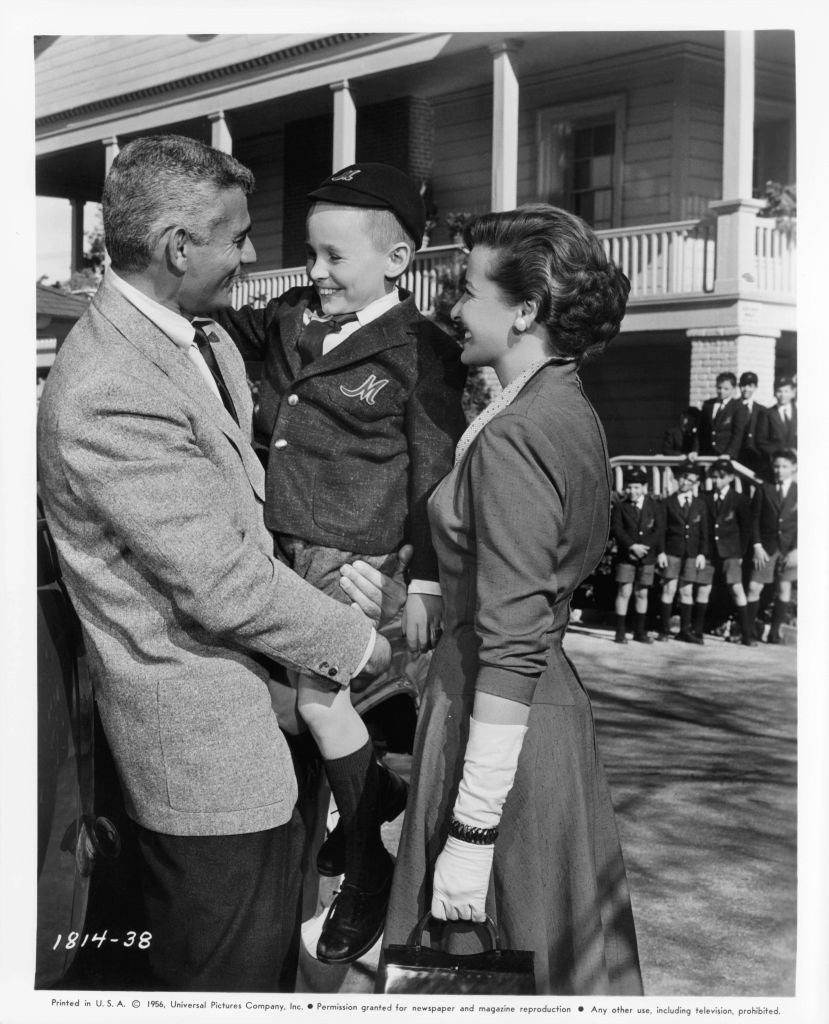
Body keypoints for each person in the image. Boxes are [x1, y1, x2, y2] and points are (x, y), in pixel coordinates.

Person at [36, 134, 404, 993]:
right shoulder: (105, 386)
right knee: (221, 985)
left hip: (271, 731)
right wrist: (359, 643)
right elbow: (221, 579)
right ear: (176, 245)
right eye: (236, 237)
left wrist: (333, 576)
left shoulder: (203, 342)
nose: (249, 255)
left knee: (268, 972)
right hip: (205, 768)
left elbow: (250, 523)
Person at [382, 205, 643, 994]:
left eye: (467, 290)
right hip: (525, 708)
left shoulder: (519, 432)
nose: (453, 308)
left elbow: (514, 638)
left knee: (492, 964)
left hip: (501, 722)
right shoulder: (559, 405)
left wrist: (469, 831)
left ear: (524, 310)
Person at [218, 162, 467, 965]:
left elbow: (436, 475)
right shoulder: (291, 317)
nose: (315, 273)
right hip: (278, 549)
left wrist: (420, 580)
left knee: (321, 703)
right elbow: (226, 322)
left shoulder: (421, 350)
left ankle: (367, 859)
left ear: (396, 261)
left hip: (355, 553)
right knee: (301, 711)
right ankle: (369, 803)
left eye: (334, 259)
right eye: (310, 255)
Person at [697, 459, 755, 646]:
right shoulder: (705, 498)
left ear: (730, 478)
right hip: (709, 551)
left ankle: (747, 634)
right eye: (713, 477)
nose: (716, 481)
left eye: (721, 477)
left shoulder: (739, 500)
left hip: (730, 552)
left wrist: (740, 554)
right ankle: (697, 631)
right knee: (704, 587)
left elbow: (746, 530)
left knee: (736, 588)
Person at [747, 448, 798, 644]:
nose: (779, 470)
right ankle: (749, 630)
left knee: (784, 587)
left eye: (784, 466)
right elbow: (755, 520)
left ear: (794, 468)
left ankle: (775, 632)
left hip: (789, 549)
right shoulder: (764, 489)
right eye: (776, 466)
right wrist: (757, 546)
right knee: (754, 586)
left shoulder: (799, 492)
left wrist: (796, 549)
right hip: (766, 547)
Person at [655, 461, 708, 642]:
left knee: (687, 590)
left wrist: (702, 553)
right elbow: (661, 530)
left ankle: (685, 631)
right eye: (684, 477)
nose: (686, 482)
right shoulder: (667, 502)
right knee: (669, 588)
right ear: (678, 479)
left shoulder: (700, 504)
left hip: (692, 554)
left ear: (696, 483)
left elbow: (704, 531)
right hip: (672, 551)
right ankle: (664, 630)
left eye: (691, 479)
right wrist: (661, 552)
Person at [611, 465, 664, 644]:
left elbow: (658, 530)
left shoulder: (654, 506)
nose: (632, 491)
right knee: (624, 591)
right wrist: (632, 546)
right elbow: (618, 529)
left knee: (642, 593)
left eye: (636, 487)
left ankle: (639, 631)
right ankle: (620, 631)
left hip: (647, 556)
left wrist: (645, 547)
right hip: (627, 555)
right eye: (629, 487)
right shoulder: (620, 506)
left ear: (644, 488)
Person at [699, 371, 747, 459]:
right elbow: (701, 430)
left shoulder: (738, 407)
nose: (721, 391)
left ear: (733, 389)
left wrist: (729, 453)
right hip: (707, 453)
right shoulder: (708, 405)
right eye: (719, 388)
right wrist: (695, 450)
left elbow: (738, 434)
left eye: (726, 389)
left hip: (725, 454)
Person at [756, 376, 797, 477]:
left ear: (793, 393)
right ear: (774, 393)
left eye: (786, 391)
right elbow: (760, 441)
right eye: (779, 391)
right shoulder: (767, 414)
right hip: (776, 465)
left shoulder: (801, 413)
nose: (782, 395)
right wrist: (779, 454)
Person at [736, 371, 767, 477]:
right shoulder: (732, 406)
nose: (746, 389)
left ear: (755, 387)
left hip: (754, 456)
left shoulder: (762, 410)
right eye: (743, 385)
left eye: (750, 386)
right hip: (736, 454)